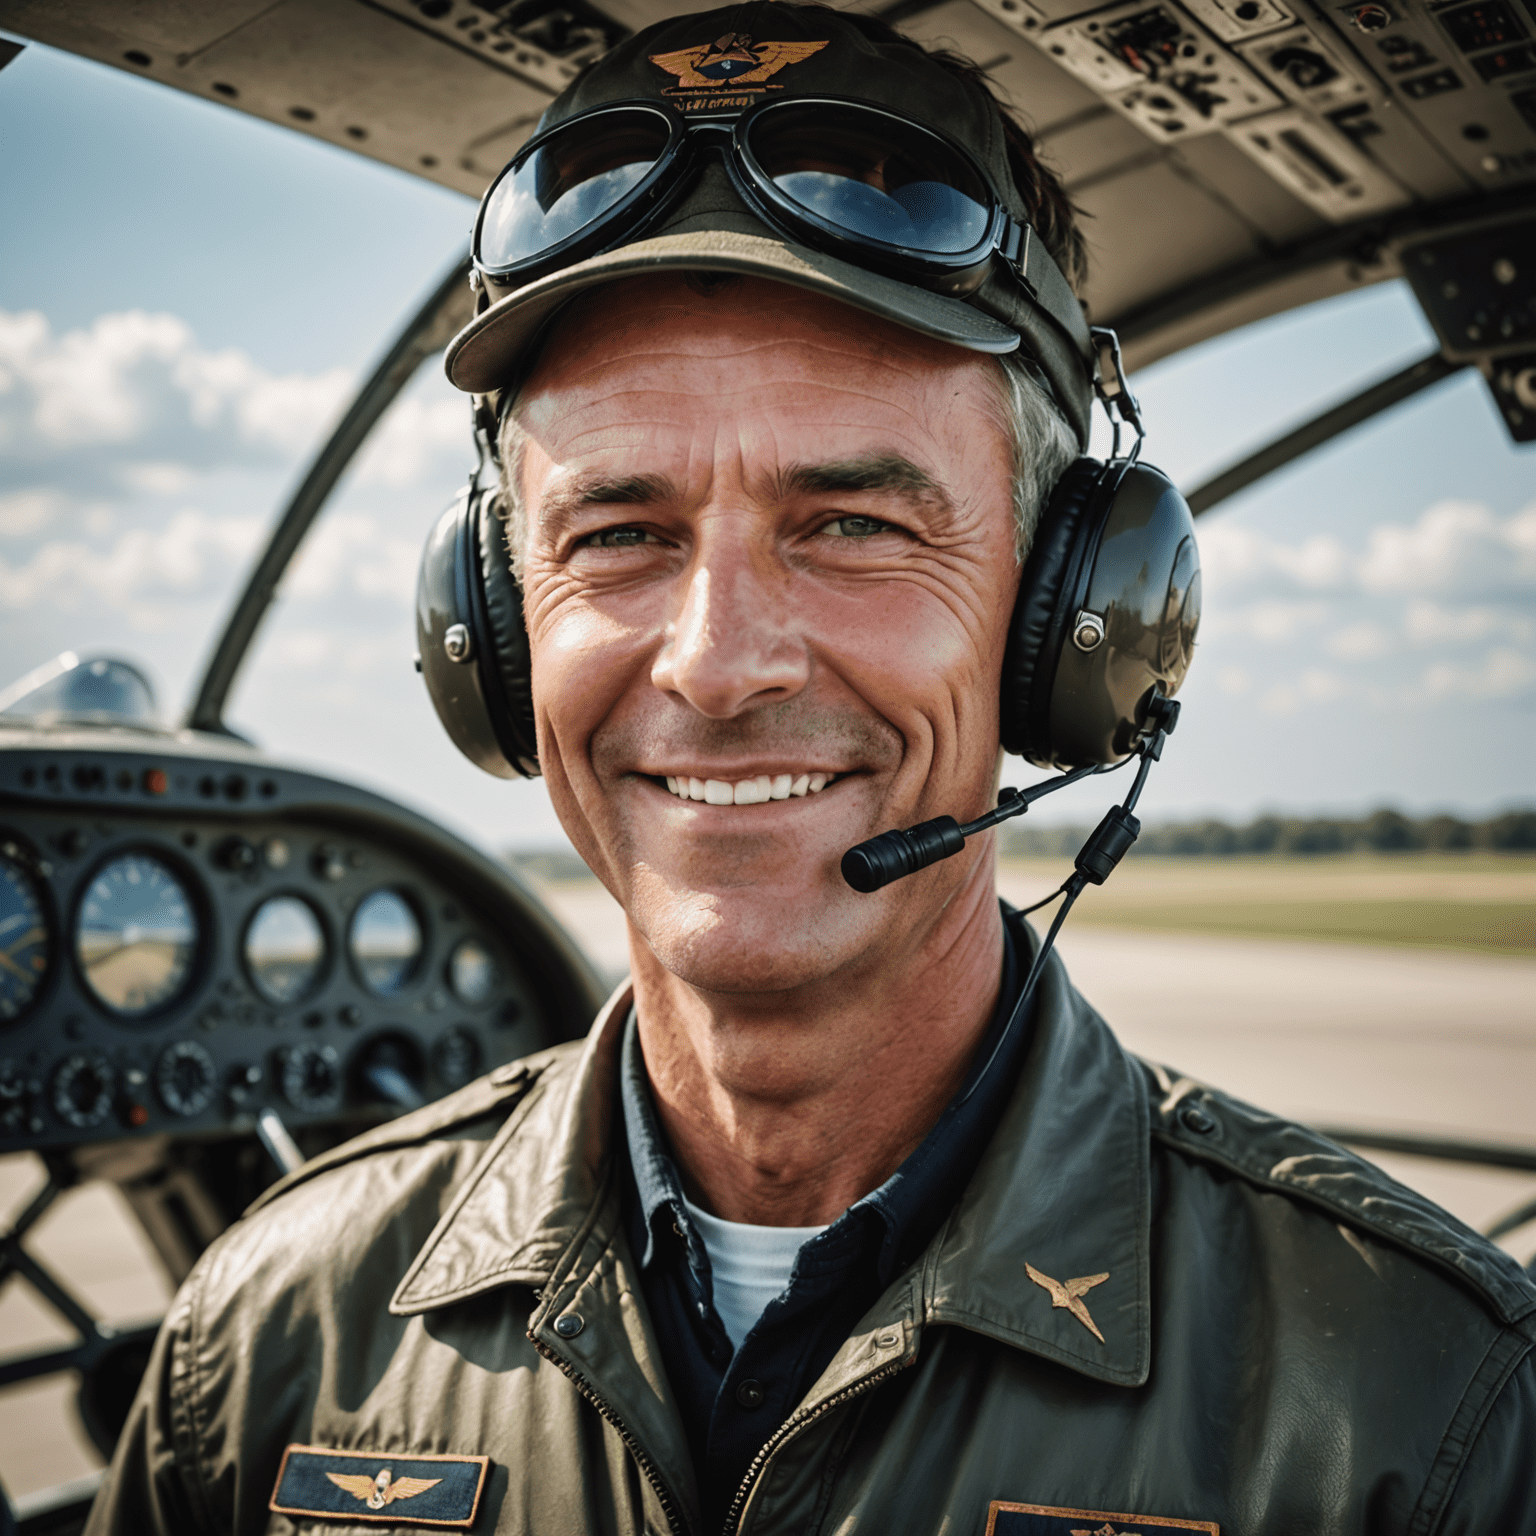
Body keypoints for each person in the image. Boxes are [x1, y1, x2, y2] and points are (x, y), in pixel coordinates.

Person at [90, 5, 1534, 1533]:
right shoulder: (270, 1338)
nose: (718, 663)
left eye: (853, 525)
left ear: (1069, 621)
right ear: (496, 630)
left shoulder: (1424, 1412)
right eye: (617, 534)